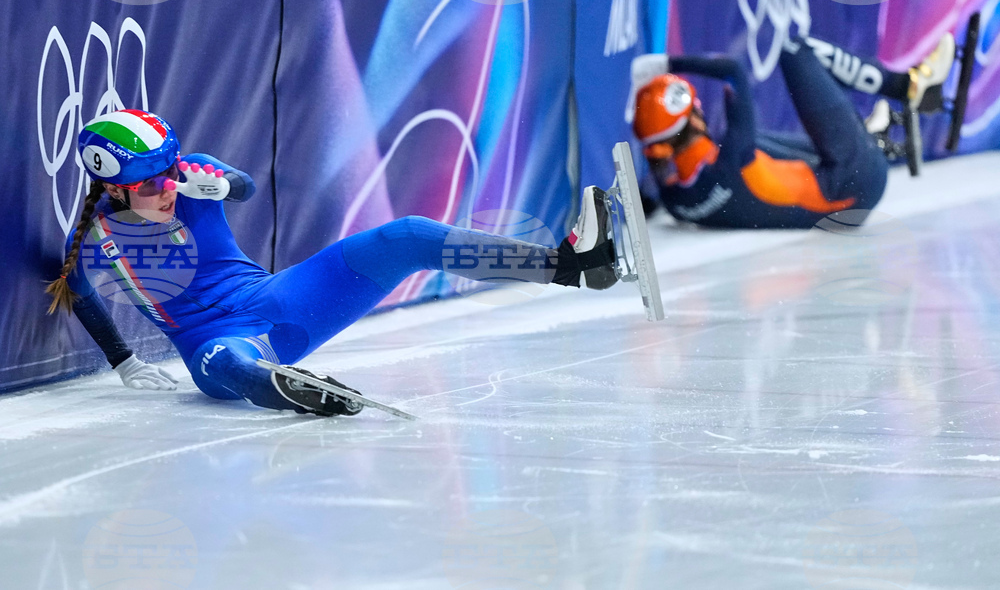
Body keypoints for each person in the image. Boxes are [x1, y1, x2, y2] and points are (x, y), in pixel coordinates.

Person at [47, 110, 619, 416]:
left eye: (170, 172)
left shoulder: (191, 174)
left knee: (406, 235)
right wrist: (123, 360)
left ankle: (571, 266)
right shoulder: (94, 236)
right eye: (151, 184)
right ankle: (292, 391)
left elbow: (243, 186)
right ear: (111, 188)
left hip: (275, 299)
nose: (169, 187)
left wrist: (222, 187)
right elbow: (80, 291)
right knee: (228, 363)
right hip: (213, 344)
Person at [629, 33, 956, 229]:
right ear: (694, 120)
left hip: (846, 204)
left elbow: (663, 162)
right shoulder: (731, 158)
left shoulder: (677, 201)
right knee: (796, 50)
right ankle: (910, 86)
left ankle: (867, 136)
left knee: (755, 153)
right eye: (696, 109)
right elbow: (732, 69)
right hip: (857, 181)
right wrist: (669, 64)